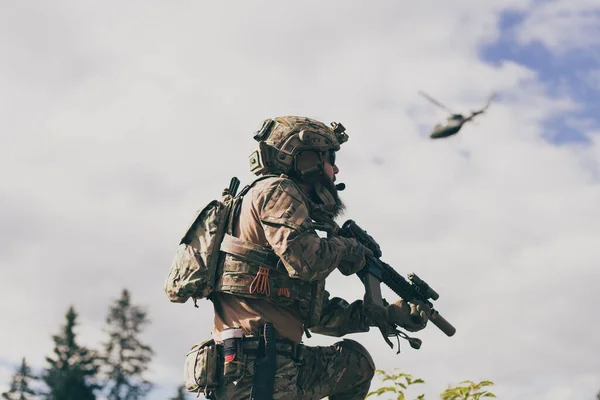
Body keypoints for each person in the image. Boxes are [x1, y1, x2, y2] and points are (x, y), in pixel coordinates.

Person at [206, 116, 431, 400]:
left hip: (268, 363)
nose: (335, 169)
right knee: (355, 365)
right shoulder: (278, 190)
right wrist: (350, 249)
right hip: (258, 370)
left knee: (355, 364)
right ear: (307, 160)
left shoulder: (266, 204)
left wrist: (385, 314)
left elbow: (317, 315)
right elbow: (305, 261)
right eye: (330, 158)